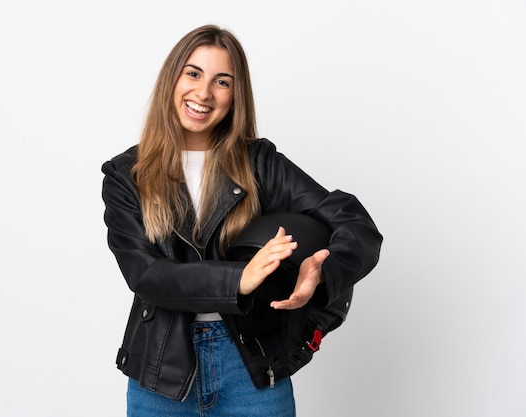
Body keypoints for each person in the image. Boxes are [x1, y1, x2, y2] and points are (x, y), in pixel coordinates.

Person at [101, 24, 383, 417]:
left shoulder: (259, 162)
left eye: (222, 81)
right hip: (161, 370)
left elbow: (354, 221)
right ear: (172, 79)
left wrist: (320, 272)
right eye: (193, 73)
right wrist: (240, 279)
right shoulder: (124, 174)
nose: (203, 93)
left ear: (235, 96)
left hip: (250, 366)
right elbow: (146, 275)